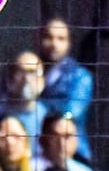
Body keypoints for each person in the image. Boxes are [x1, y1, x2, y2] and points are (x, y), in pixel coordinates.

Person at [37, 18, 93, 161]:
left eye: (60, 39)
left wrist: (34, 101)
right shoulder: (28, 70)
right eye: (48, 37)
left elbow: (72, 111)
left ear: (69, 43)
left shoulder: (80, 76)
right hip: (35, 151)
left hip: (73, 153)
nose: (54, 44)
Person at [0, 51, 48, 150]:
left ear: (42, 80)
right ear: (9, 77)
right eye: (20, 72)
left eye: (32, 72)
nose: (26, 78)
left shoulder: (48, 116)